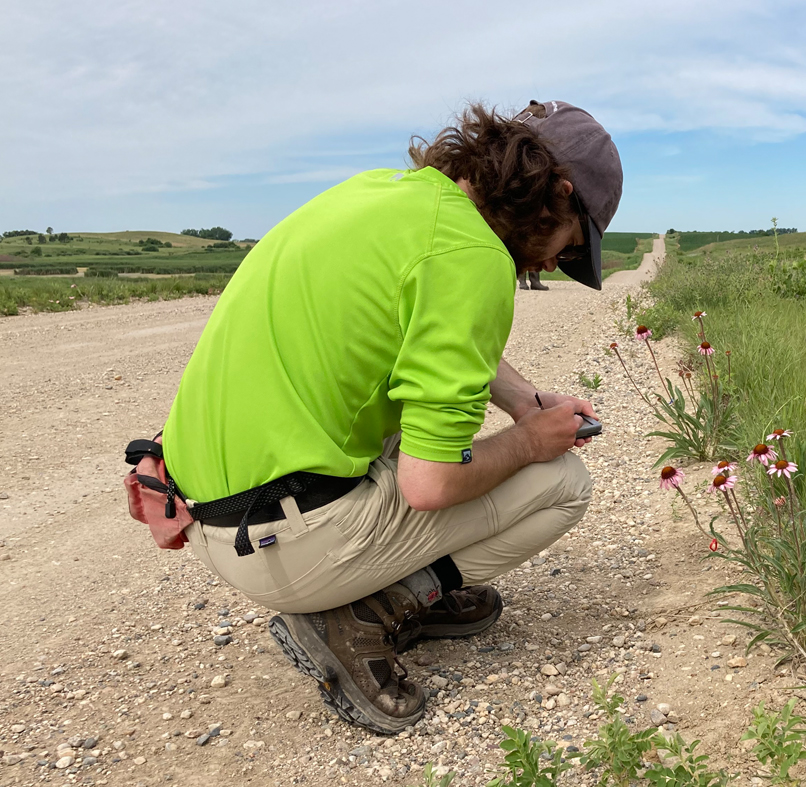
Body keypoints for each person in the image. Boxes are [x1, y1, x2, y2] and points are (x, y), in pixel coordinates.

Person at [160, 100, 623, 733]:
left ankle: (392, 591)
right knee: (563, 483)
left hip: (214, 514)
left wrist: (522, 402)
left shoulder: (389, 195)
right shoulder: (475, 259)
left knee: (425, 420)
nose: (554, 265)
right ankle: (364, 613)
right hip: (284, 545)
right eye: (571, 246)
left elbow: (424, 331)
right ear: (558, 194)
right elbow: (428, 485)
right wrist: (529, 440)